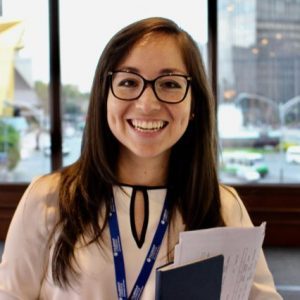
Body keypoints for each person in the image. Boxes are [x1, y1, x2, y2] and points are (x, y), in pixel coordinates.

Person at [0, 17, 282, 299]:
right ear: (103, 97)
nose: (147, 104)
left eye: (170, 84)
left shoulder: (223, 206)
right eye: (128, 82)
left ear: (194, 103)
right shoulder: (49, 198)